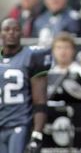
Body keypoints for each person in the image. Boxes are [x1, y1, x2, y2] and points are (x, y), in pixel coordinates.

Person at [0, 18, 52, 153]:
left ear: (22, 33)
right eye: (7, 29)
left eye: (16, 30)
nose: (11, 33)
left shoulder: (32, 56)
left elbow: (40, 100)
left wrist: (37, 134)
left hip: (19, 124)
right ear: (1, 33)